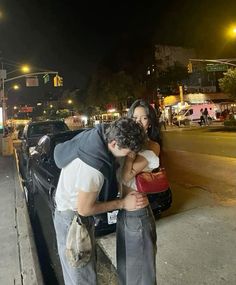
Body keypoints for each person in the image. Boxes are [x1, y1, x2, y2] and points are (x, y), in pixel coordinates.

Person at [53, 118, 148, 285]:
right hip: (73, 220)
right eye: (127, 152)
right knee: (82, 276)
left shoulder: (100, 133)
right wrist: (123, 203)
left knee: (77, 271)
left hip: (67, 212)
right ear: (113, 143)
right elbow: (84, 209)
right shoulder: (93, 168)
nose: (129, 156)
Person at [116, 99, 161, 285]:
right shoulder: (122, 143)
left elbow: (126, 176)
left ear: (149, 122)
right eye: (134, 118)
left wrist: (133, 149)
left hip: (139, 213)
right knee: (126, 269)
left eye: (144, 118)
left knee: (143, 274)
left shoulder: (152, 146)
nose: (138, 122)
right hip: (123, 211)